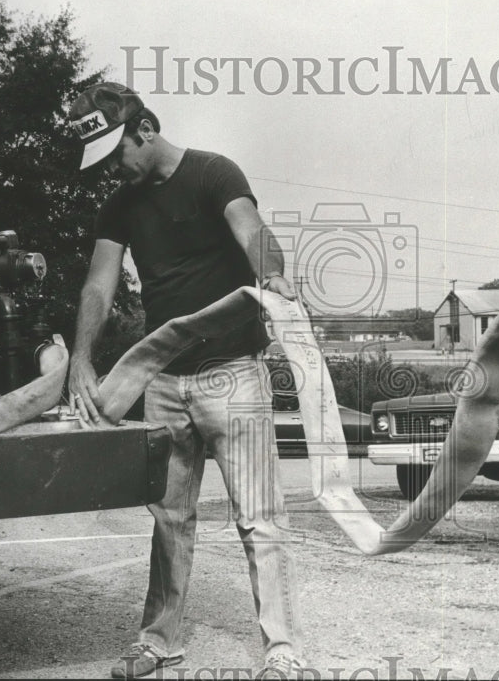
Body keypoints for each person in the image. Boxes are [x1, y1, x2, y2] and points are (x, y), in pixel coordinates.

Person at [66, 82, 305, 679]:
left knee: (259, 517)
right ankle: (158, 640)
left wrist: (270, 275)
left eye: (116, 152)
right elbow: (99, 283)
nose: (111, 170)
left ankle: (282, 648)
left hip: (235, 377)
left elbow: (250, 230)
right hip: (164, 382)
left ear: (144, 128)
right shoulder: (119, 205)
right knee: (169, 518)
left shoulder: (213, 173)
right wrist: (81, 359)